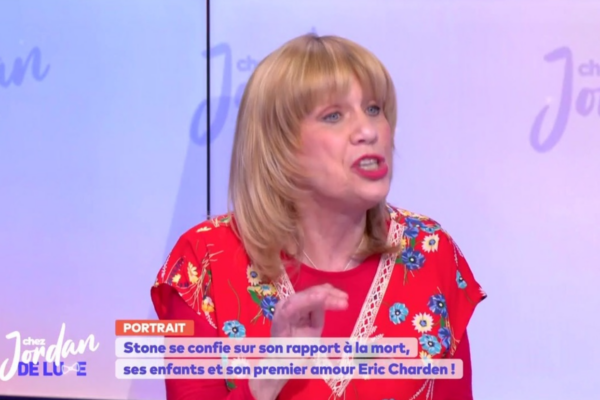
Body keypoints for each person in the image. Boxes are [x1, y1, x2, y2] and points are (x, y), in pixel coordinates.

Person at [151, 33, 487, 400]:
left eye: (374, 109)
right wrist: (268, 377)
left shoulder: (429, 249)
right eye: (334, 116)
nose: (368, 131)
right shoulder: (205, 260)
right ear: (279, 147)